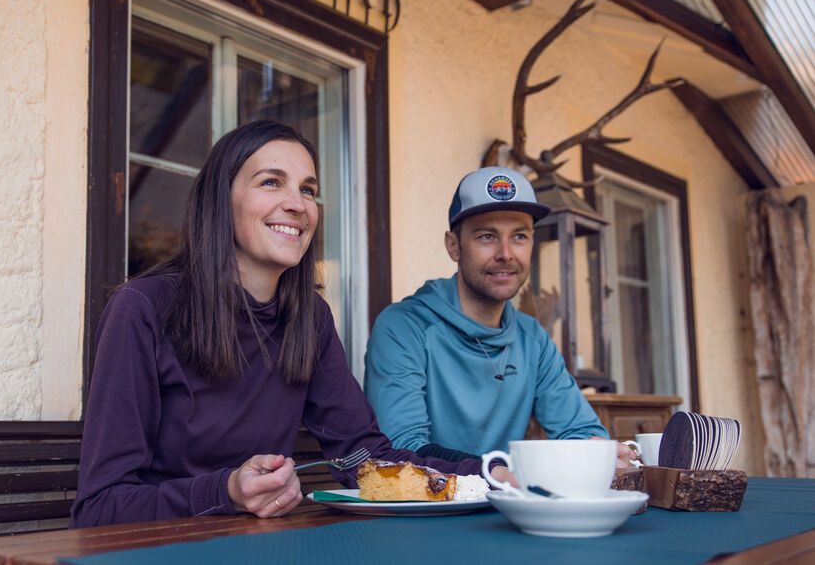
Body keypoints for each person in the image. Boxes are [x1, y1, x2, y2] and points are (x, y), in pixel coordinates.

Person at [70, 121, 510, 528]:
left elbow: (364, 458)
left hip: (264, 546)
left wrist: (493, 473)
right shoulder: (144, 307)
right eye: (271, 182)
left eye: (308, 189)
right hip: (155, 550)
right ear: (220, 200)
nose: (297, 204)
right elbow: (99, 506)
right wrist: (226, 490)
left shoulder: (310, 319)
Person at [364, 166, 633, 467]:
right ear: (454, 246)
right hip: (426, 510)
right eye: (487, 236)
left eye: (519, 236)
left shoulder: (532, 338)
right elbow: (402, 450)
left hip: (507, 505)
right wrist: (499, 473)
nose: (506, 253)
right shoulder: (403, 327)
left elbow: (582, 432)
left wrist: (600, 452)